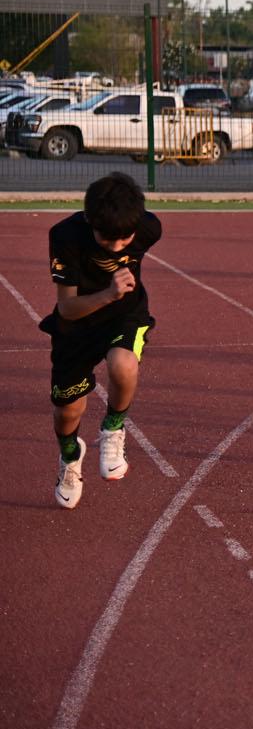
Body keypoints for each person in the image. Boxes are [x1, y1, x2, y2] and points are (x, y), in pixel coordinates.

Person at [43, 172, 162, 509]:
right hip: (77, 324)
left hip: (125, 315)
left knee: (123, 363)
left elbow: (132, 239)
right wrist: (109, 293)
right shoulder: (66, 236)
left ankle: (113, 428)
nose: (117, 246)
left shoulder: (148, 227)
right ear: (89, 219)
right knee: (67, 411)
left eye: (125, 239)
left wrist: (118, 298)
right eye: (107, 239)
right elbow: (66, 308)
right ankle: (70, 458)